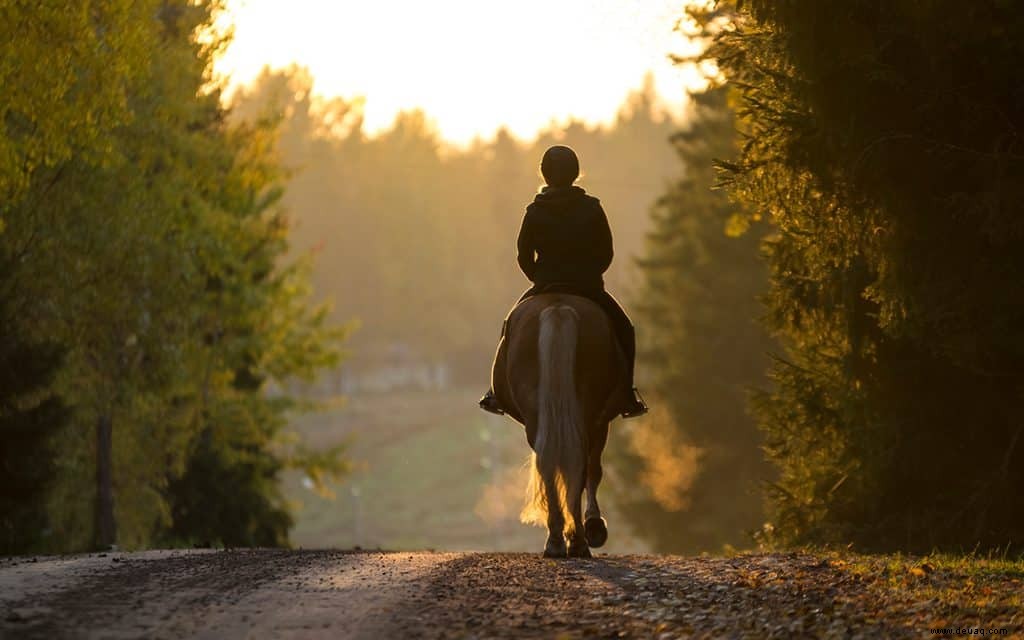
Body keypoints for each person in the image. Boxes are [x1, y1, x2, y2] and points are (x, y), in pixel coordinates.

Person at [479, 145, 648, 419]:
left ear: (545, 175)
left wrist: (541, 279)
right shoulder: (592, 209)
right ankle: (628, 395)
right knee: (625, 329)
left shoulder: (534, 211)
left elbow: (523, 255)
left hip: (546, 285)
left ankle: (496, 393)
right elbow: (606, 252)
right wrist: (590, 276)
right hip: (587, 287)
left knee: (510, 327)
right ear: (575, 174)